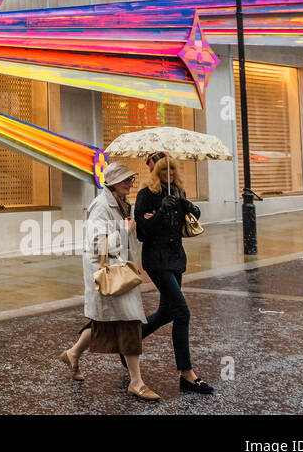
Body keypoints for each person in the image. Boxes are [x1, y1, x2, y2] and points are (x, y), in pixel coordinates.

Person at [58, 162, 158, 400]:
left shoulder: (123, 203)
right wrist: (124, 231)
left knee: (106, 324)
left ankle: (73, 353)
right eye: (124, 179)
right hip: (109, 274)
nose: (129, 183)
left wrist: (140, 222)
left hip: (122, 271)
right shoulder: (101, 206)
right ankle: (136, 381)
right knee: (129, 322)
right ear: (111, 181)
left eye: (131, 179)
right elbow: (96, 244)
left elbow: (127, 233)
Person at [134, 156, 214, 395]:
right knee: (182, 312)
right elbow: (142, 233)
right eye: (163, 169)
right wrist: (159, 212)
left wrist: (190, 207)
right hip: (156, 260)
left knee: (166, 312)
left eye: (172, 168)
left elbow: (186, 223)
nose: (168, 172)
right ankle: (187, 374)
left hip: (176, 257)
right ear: (155, 171)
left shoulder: (178, 191)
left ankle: (128, 342)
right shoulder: (145, 195)